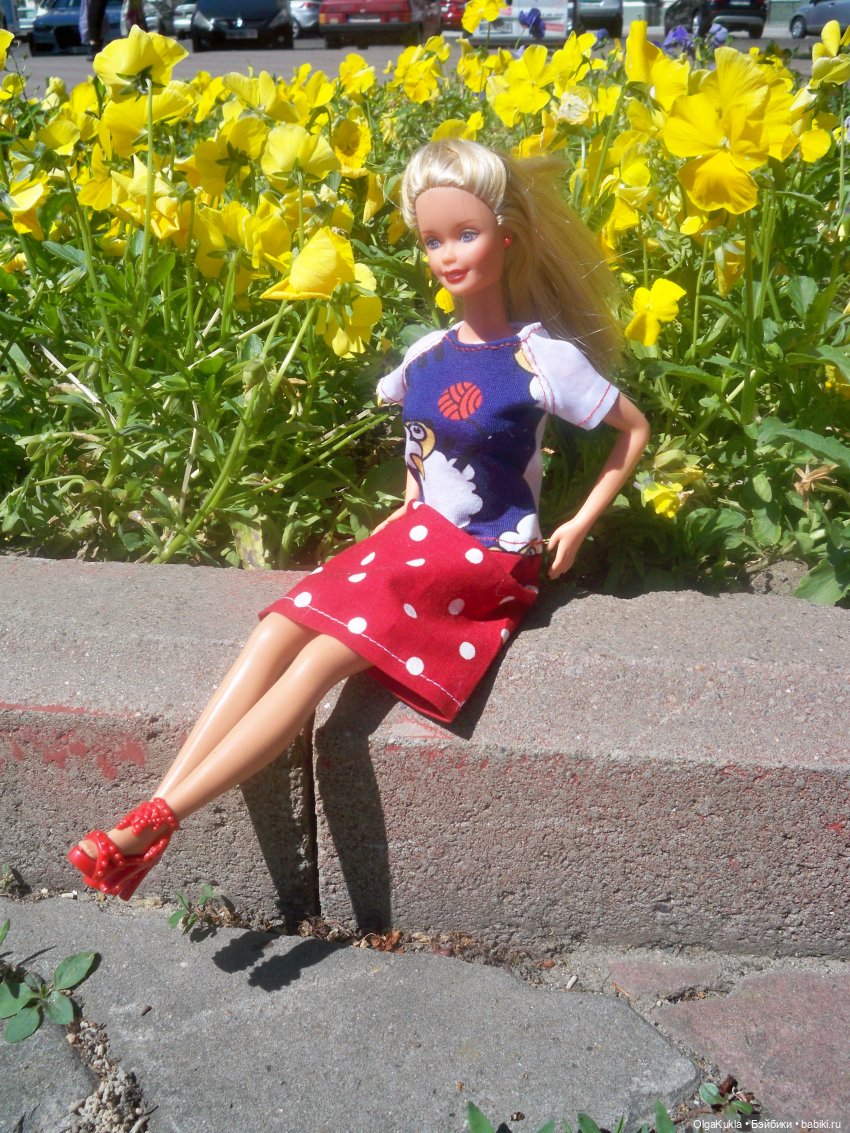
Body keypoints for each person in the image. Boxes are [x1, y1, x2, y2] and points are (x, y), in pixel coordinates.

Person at [68, 139, 651, 901]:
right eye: (433, 240)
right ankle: (151, 811)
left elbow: (633, 430)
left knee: (321, 660)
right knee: (277, 626)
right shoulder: (428, 354)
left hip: (484, 556)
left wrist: (575, 524)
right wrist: (408, 499)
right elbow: (423, 446)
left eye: (465, 234)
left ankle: (156, 819)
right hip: (416, 536)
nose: (447, 255)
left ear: (507, 237)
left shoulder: (542, 359)